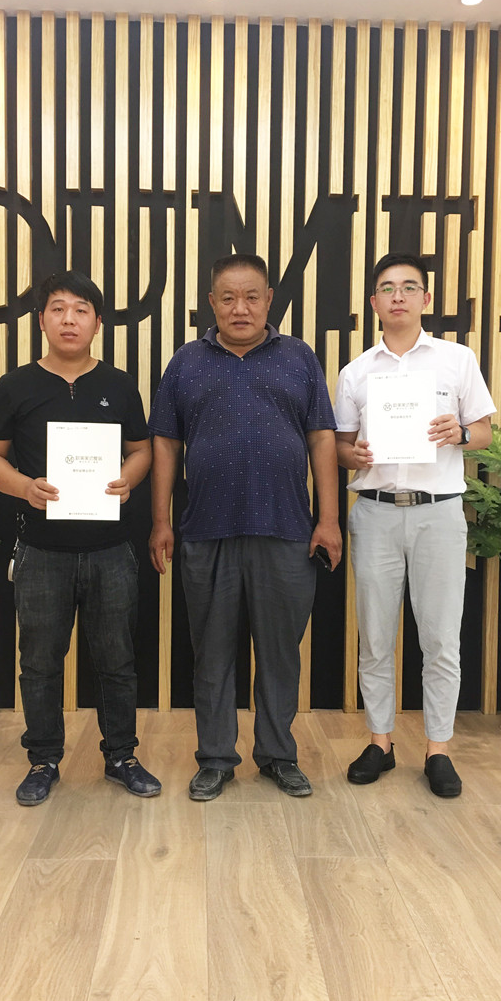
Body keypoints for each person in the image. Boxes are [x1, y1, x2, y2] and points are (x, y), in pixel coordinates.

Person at [148, 253, 342, 801]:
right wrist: (160, 521)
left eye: (252, 297)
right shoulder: (186, 362)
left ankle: (278, 755)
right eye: (228, 298)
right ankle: (215, 759)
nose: (241, 308)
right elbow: (165, 443)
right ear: (211, 303)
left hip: (287, 530)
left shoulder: (299, 357)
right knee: (211, 654)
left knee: (280, 653)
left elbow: (322, 438)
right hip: (206, 529)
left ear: (269, 300)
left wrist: (328, 520)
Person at [0, 271, 161, 805]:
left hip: (111, 551)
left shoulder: (119, 385)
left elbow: (142, 449)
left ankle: (121, 756)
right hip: (41, 551)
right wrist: (24, 487)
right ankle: (43, 760)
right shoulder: (15, 385)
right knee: (39, 662)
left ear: (98, 323)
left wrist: (129, 478)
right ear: (42, 321)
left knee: (117, 660)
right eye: (58, 309)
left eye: (81, 310)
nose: (69, 319)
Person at [335, 252, 496, 797]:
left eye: (409, 287)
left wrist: (461, 434)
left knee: (441, 638)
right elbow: (340, 446)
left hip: (439, 513)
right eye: (387, 288)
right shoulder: (356, 372)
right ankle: (380, 742)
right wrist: (353, 454)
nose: (398, 296)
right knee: (376, 637)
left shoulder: (456, 360)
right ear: (374, 302)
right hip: (375, 512)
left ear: (426, 299)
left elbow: (484, 432)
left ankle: (438, 748)